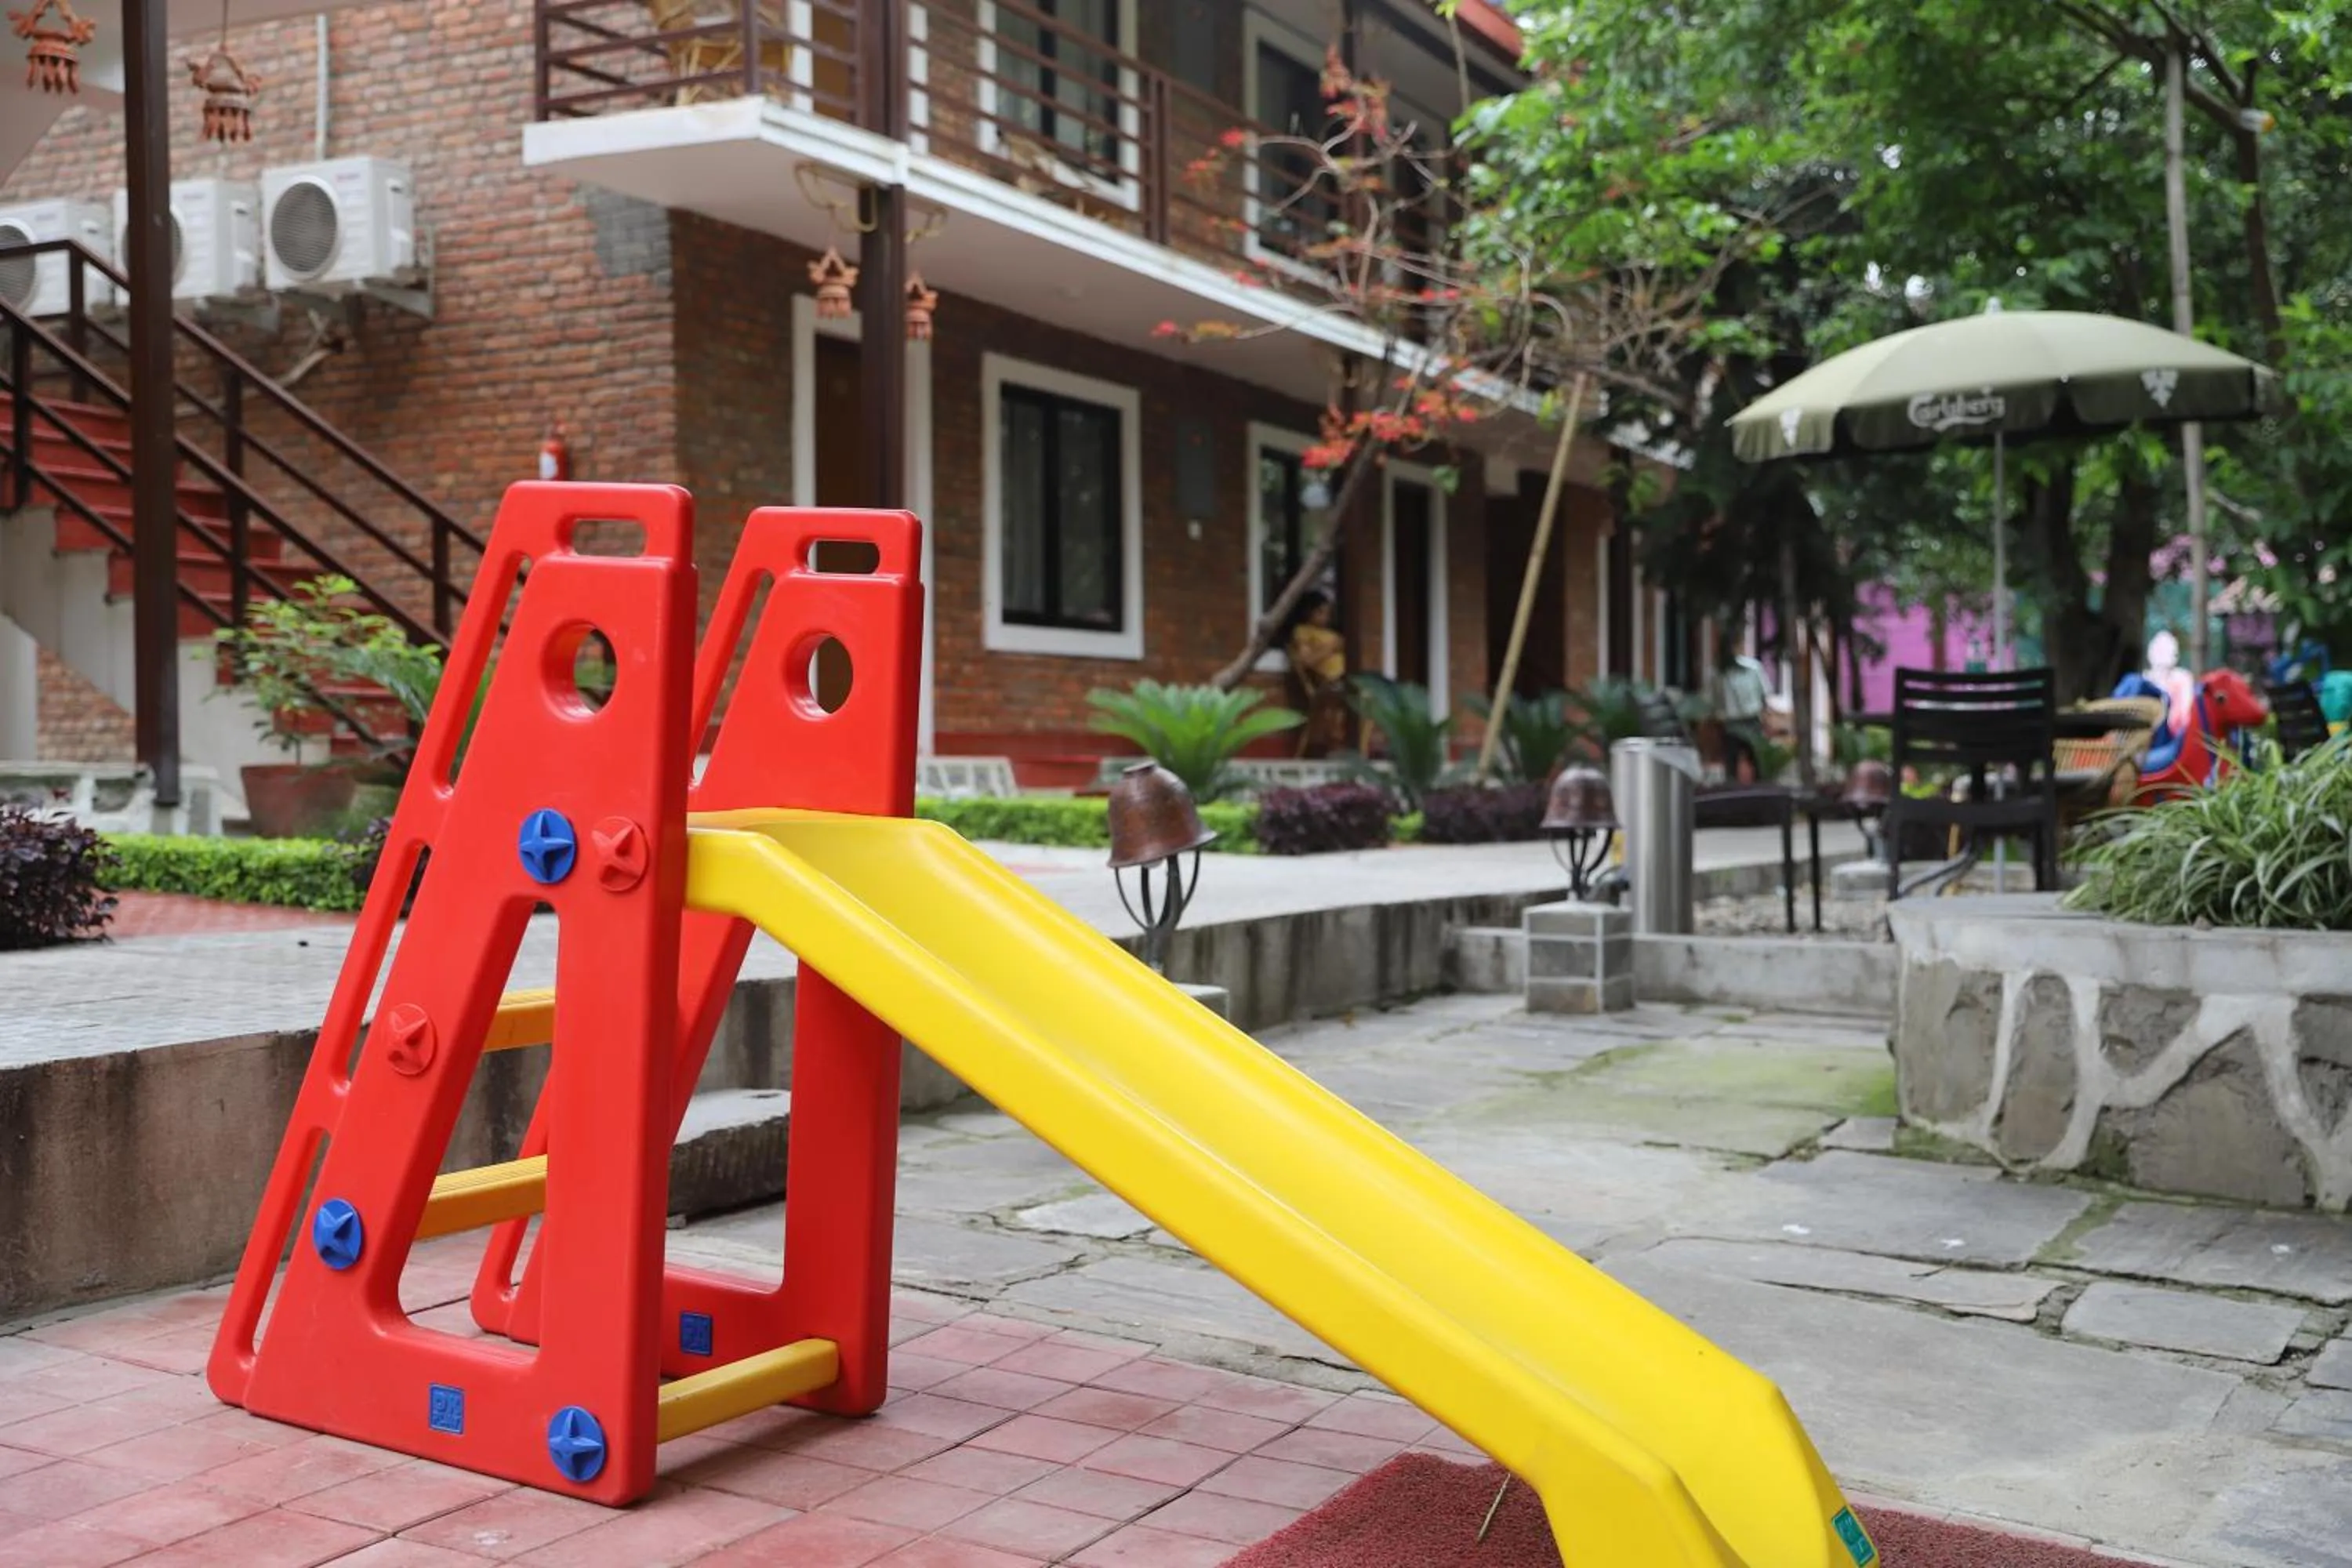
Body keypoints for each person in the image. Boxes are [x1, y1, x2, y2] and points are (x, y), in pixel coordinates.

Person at [1285, 590, 1352, 757]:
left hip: (1346, 677)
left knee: (1367, 697)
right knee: (1341, 703)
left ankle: (1357, 750)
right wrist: (1331, 648)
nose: (1325, 617)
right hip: (1328, 680)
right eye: (1320, 612)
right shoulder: (1303, 632)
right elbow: (1306, 662)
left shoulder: (1331, 633)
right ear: (1308, 612)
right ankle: (1337, 746)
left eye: (1328, 613)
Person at [1711, 649, 1770, 784]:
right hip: (1730, 722)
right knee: (1731, 758)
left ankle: (1760, 786)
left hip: (1752, 720)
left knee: (1756, 758)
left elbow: (1764, 696)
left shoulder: (1752, 668)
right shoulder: (1718, 673)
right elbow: (1714, 700)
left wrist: (1765, 718)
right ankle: (1732, 787)